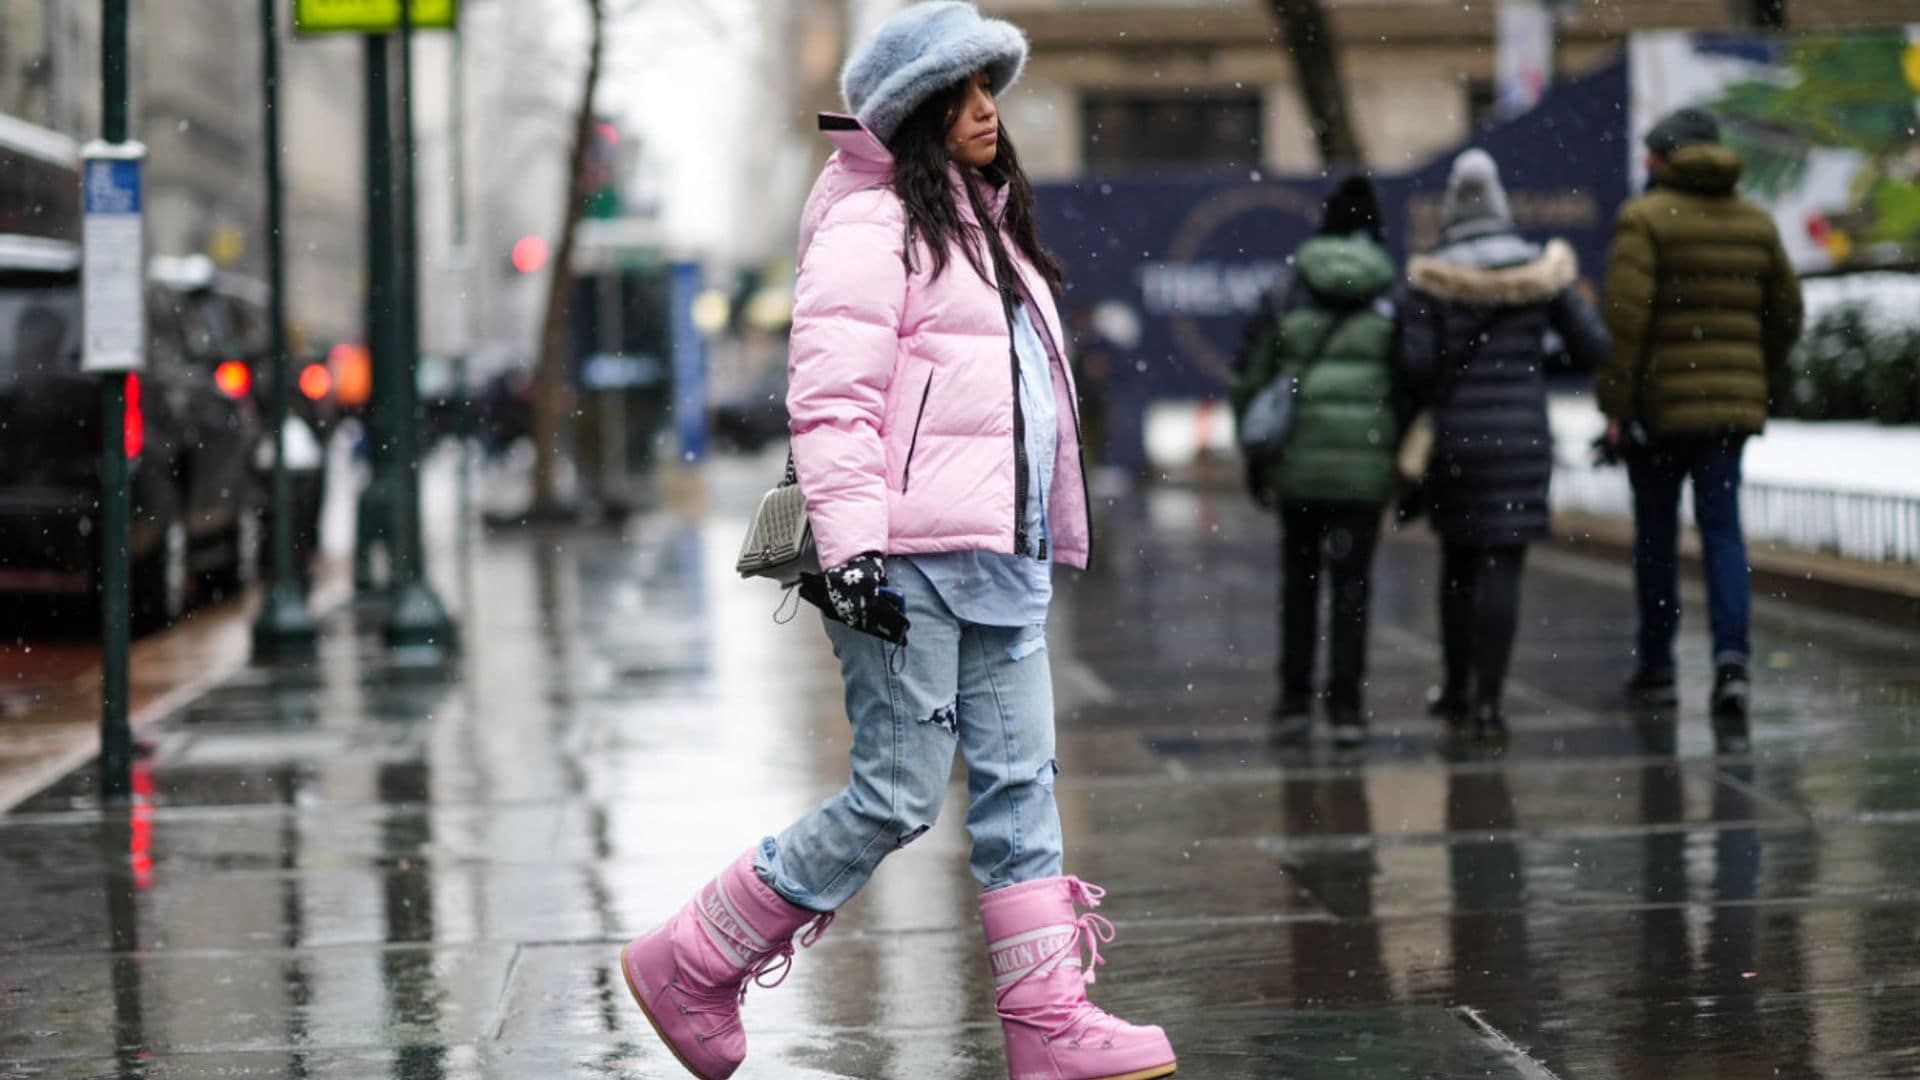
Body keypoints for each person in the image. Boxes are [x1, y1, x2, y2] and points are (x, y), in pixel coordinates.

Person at [618, 7, 1177, 1080]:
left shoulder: (986, 221)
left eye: (988, 89)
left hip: (998, 558)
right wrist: (854, 550)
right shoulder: (871, 222)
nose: (984, 110)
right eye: (959, 94)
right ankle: (693, 960)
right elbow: (833, 400)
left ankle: (1049, 1020)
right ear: (912, 113)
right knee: (897, 793)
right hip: (905, 563)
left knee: (1021, 786)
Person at [1598, 108, 1803, 751]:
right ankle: (1732, 663)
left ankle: (1658, 667)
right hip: (1729, 411)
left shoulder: (1644, 219)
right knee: (1722, 532)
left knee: (1656, 538)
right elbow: (1788, 313)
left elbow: (1625, 324)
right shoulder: (1756, 220)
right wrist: (1750, 368)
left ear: (1663, 158)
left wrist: (1616, 405)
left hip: (1660, 410)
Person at [1400, 149, 1610, 743]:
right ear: (1500, 204)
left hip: (1458, 442)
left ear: (1451, 208)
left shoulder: (1431, 279)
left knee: (1458, 562)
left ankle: (1457, 687)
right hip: (1521, 439)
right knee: (1502, 567)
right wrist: (1534, 362)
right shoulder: (1539, 272)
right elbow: (1594, 349)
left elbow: (1415, 368)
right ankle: (1491, 705)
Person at [1231, 176, 1401, 750]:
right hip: (1364, 469)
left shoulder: (1286, 288)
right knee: (1353, 588)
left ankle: (1294, 704)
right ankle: (1348, 708)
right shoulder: (1392, 291)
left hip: (1298, 465)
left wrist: (1255, 456)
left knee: (1299, 584)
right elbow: (1410, 381)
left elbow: (1250, 377)